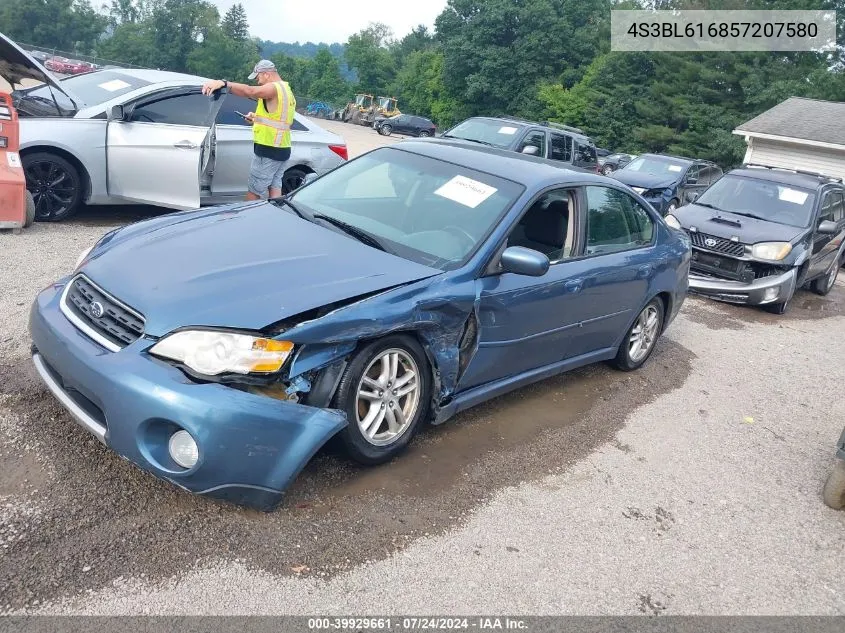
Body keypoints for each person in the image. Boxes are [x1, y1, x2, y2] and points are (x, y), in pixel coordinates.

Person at [202, 60, 296, 200]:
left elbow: (249, 91)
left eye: (258, 77)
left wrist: (225, 84)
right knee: (275, 186)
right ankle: (275, 214)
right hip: (282, 148)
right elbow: (278, 121)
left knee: (254, 190)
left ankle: (248, 218)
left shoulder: (273, 88)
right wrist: (256, 119)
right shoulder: (286, 90)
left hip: (268, 150)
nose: (258, 82)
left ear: (266, 74)